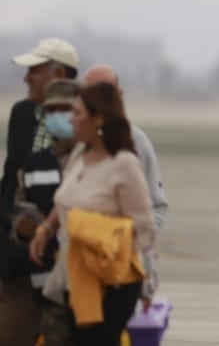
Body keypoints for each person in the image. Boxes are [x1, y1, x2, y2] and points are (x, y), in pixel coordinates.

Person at [27, 82, 154, 346]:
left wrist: (107, 247)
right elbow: (65, 199)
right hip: (73, 276)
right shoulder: (79, 154)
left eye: (77, 113)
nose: (71, 120)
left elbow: (143, 228)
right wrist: (47, 228)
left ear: (98, 118)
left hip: (110, 282)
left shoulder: (124, 164)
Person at [2, 38, 78, 345]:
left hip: (68, 262)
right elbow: (10, 178)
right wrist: (12, 226)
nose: (26, 78)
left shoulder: (88, 125)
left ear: (57, 74)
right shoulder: (21, 114)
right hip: (20, 256)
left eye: (33, 70)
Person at [17, 80, 80, 346]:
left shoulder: (97, 159)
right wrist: (21, 228)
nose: (57, 116)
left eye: (64, 108)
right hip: (48, 289)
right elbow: (20, 207)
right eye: (51, 110)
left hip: (89, 282)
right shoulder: (33, 165)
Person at [81, 66, 167, 232]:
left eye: (104, 92)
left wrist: (132, 244)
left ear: (119, 94)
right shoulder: (78, 144)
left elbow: (157, 207)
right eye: (89, 92)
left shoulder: (137, 142)